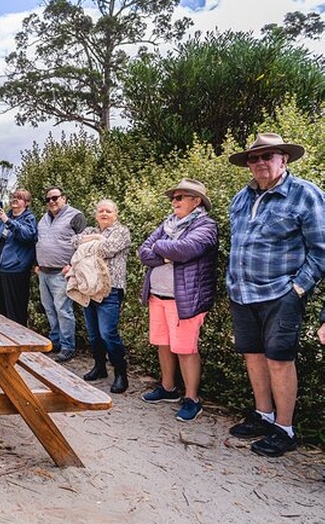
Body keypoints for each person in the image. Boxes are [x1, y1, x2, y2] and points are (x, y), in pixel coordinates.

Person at [225, 133, 325, 457]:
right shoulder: (241, 198)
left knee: (279, 361)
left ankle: (285, 429)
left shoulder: (305, 194)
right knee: (253, 356)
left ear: (284, 159)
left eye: (268, 156)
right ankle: (263, 415)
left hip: (281, 294)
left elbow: (321, 251)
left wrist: (297, 289)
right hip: (242, 293)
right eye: (254, 158)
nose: (260, 163)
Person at [138, 178, 218, 422]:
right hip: (158, 296)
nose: (174, 201)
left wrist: (162, 248)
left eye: (180, 197)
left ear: (196, 201)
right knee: (163, 344)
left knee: (185, 350)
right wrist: (167, 254)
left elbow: (187, 248)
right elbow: (144, 251)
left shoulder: (207, 225)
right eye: (173, 198)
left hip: (185, 300)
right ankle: (168, 389)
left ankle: (192, 399)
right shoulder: (168, 224)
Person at [71, 199, 131, 393]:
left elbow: (107, 249)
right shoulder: (89, 230)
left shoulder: (122, 232)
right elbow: (73, 242)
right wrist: (97, 237)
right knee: (93, 333)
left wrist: (90, 242)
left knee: (108, 333)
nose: (104, 214)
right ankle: (99, 367)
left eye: (108, 211)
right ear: (96, 214)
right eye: (101, 211)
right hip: (89, 287)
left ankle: (121, 373)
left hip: (111, 289)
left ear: (116, 214)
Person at [34, 186, 87, 361]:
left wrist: (73, 265)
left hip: (61, 273)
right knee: (49, 309)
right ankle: (54, 341)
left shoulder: (75, 216)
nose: (51, 202)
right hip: (44, 272)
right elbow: (39, 242)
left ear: (64, 198)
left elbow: (85, 244)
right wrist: (37, 263)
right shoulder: (44, 219)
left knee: (63, 310)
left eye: (55, 198)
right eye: (48, 199)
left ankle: (68, 347)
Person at [0, 189, 37, 326]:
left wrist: (7, 221)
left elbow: (27, 236)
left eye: (19, 198)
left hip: (14, 271)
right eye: (13, 197)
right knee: (0, 311)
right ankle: (3, 340)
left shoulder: (28, 218)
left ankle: (19, 342)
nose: (15, 199)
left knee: (15, 312)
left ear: (26, 203)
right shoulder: (5, 216)